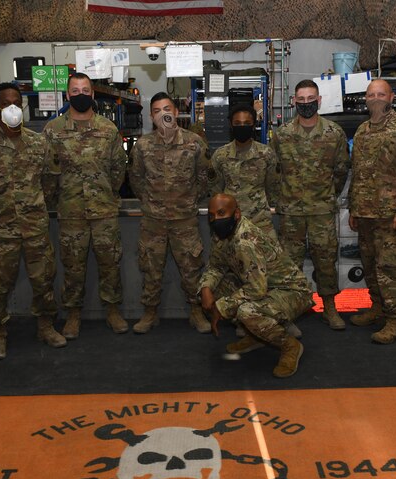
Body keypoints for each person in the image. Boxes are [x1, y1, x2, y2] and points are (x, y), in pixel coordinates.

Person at [0, 83, 66, 358]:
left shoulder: (39, 143)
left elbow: (50, 183)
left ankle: (46, 326)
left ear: (22, 105)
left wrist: (35, 207)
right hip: (1, 230)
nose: (12, 107)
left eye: (16, 102)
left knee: (44, 280)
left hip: (35, 228)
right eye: (5, 102)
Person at [43, 73, 129, 338]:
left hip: (104, 210)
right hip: (71, 212)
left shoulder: (108, 129)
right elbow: (47, 172)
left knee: (110, 263)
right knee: (73, 266)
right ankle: (73, 314)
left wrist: (107, 194)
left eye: (85, 90)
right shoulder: (53, 130)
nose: (80, 94)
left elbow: (118, 169)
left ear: (92, 94)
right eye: (75, 90)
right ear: (67, 95)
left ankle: (112, 310)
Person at [199, 194, 313, 377]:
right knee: (214, 291)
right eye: (211, 216)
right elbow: (216, 266)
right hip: (264, 284)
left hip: (292, 292)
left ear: (236, 214)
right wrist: (205, 289)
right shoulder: (223, 234)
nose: (216, 220)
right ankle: (256, 335)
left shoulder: (245, 241)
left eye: (221, 213)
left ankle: (290, 346)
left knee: (247, 311)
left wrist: (222, 307)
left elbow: (256, 290)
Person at [348, 79, 396, 344]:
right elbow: (357, 172)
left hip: (393, 215)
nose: (376, 98)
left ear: (391, 97)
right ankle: (378, 307)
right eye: (371, 95)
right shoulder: (362, 130)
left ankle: (394, 320)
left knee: (389, 267)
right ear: (365, 99)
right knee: (369, 265)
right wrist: (353, 208)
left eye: (381, 94)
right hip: (366, 213)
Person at [129, 92, 211, 334]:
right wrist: (152, 203)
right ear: (151, 117)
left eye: (167, 109)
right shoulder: (143, 145)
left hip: (184, 220)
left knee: (191, 269)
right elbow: (135, 179)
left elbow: (204, 178)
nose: (162, 114)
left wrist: (187, 202)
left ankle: (196, 312)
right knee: (151, 268)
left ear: (176, 112)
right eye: (156, 111)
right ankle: (150, 313)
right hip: (153, 221)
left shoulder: (195, 143)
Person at [270, 79, 349, 330]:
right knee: (290, 263)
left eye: (310, 99)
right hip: (291, 212)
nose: (306, 104)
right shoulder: (282, 134)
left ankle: (329, 308)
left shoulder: (334, 133)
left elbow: (340, 171)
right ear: (294, 101)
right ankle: (291, 311)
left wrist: (327, 196)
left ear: (319, 101)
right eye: (301, 99)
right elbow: (274, 172)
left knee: (325, 260)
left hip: (322, 211)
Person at [210, 103, 279, 240]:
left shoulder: (266, 154)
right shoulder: (220, 155)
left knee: (268, 259)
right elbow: (216, 191)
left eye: (247, 123)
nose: (242, 126)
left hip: (260, 222)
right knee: (226, 260)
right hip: (229, 223)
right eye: (237, 123)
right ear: (231, 125)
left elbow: (273, 188)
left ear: (253, 125)